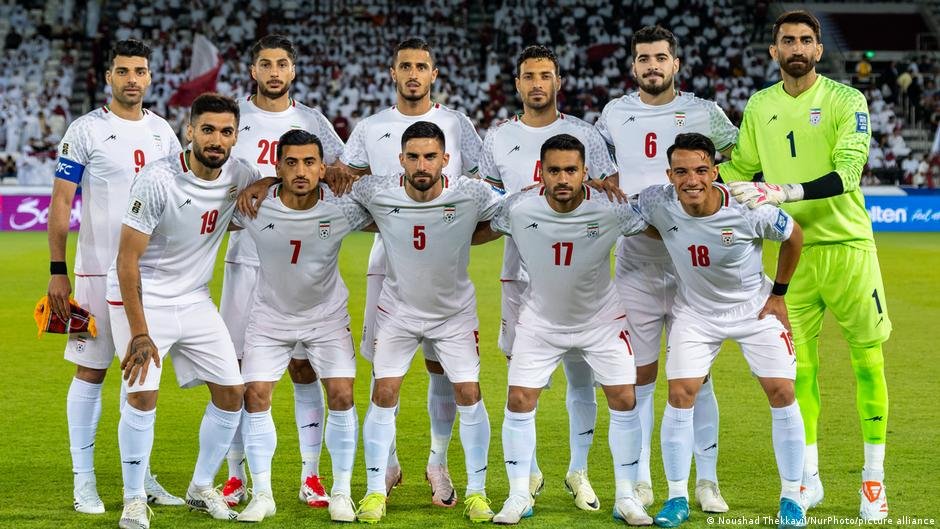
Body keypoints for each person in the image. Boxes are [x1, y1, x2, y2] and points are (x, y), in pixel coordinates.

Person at [723, 10, 890, 522]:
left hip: (847, 248)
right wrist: (693, 182)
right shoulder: (760, 105)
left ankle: (873, 483)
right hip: (793, 251)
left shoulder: (846, 100)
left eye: (806, 40)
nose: (796, 47)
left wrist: (781, 191)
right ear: (773, 51)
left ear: (819, 50)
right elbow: (739, 167)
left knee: (867, 360)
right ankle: (809, 479)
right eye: (787, 40)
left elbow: (846, 174)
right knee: (801, 368)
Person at [594, 25, 739, 512]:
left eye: (661, 57)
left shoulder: (705, 112)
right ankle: (642, 482)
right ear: (633, 66)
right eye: (643, 58)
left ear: (676, 63)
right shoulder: (614, 113)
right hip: (636, 263)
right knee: (639, 378)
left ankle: (707, 481)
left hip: (693, 269)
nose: (652, 66)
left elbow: (738, 166)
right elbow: (598, 169)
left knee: (697, 380)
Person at [634, 133, 805, 528]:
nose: (691, 180)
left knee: (782, 391)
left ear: (714, 172)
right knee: (680, 394)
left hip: (754, 310)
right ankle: (677, 497)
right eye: (681, 172)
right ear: (670, 174)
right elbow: (628, 215)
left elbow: (794, 236)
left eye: (699, 170)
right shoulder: (657, 201)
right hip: (695, 313)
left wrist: (779, 294)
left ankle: (791, 498)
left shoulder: (748, 208)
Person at [339, 37, 483, 506]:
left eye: (422, 66)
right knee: (385, 374)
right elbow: (345, 179)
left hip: (443, 267)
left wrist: (457, 230)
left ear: (434, 73)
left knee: (443, 369)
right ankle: (389, 463)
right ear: (393, 72)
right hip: (388, 261)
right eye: (406, 66)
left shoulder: (457, 124)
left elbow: (486, 179)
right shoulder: (371, 126)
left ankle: (437, 462)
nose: (414, 73)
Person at [107, 93, 261, 529]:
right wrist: (140, 333)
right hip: (145, 297)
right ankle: (134, 497)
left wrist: (264, 184)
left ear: (235, 136)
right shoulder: (158, 180)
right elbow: (126, 262)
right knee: (142, 394)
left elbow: (266, 183)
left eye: (226, 131)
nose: (216, 139)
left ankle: (199, 486)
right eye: (207, 129)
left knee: (232, 394)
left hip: (195, 299)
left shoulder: (239, 173)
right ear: (189, 131)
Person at [484, 134, 652, 525]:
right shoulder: (519, 208)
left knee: (625, 399)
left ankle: (626, 496)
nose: (563, 178)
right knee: (520, 400)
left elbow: (654, 220)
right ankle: (518, 495)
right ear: (540, 172)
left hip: (602, 321)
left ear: (585, 173)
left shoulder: (611, 208)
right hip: (541, 321)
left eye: (571, 170)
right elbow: (483, 220)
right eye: (554, 170)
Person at [479, 44, 618, 511]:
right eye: (528, 76)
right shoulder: (497, 137)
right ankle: (530, 473)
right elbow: (490, 203)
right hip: (518, 274)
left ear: (558, 81)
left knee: (582, 374)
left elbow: (607, 193)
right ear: (516, 84)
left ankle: (579, 471)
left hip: (579, 277)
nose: (537, 84)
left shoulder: (584, 135)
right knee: (524, 377)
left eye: (545, 75)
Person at [47, 38, 183, 514]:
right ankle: (84, 481)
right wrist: (57, 271)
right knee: (90, 370)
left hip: (150, 276)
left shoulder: (165, 133)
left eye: (139, 71)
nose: (131, 79)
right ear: (109, 77)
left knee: (143, 374)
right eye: (123, 71)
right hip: (92, 273)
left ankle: (140, 476)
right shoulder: (85, 131)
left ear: (149, 77)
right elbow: (61, 202)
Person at [348, 121, 500, 523]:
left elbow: (507, 213)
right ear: (400, 159)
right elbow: (335, 189)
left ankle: (477, 493)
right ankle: (374, 490)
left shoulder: (470, 193)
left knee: (469, 392)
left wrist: (461, 232)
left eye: (430, 156)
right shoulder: (377, 190)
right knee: (384, 392)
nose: (421, 164)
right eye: (413, 156)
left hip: (453, 314)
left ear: (446, 160)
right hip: (398, 311)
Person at [218, 34, 346, 510]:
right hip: (246, 258)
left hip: (303, 263)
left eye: (283, 64)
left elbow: (337, 169)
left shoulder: (312, 120)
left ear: (293, 71)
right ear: (254, 70)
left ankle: (311, 476)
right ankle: (235, 477)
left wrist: (273, 179)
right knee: (236, 374)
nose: (274, 71)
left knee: (303, 366)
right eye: (266, 64)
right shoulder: (232, 116)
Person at [231, 130, 373, 523]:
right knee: (255, 395)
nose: (301, 170)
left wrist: (344, 177)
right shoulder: (253, 206)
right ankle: (262, 495)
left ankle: (341, 492)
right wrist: (261, 184)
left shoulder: (343, 208)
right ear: (276, 168)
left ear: (322, 167)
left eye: (310, 162)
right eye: (291, 162)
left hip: (326, 318)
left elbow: (388, 197)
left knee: (342, 395)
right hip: (270, 319)